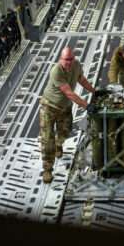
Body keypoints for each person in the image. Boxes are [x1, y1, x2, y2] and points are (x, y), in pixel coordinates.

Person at [40, 47, 96, 184]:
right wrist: (86, 105)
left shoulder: (76, 65)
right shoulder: (56, 71)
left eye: (71, 59)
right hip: (49, 107)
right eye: (66, 60)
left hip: (65, 108)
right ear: (61, 59)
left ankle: (58, 144)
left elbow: (81, 79)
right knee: (48, 140)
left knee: (65, 132)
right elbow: (69, 93)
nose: (69, 62)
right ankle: (47, 170)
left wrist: (95, 91)